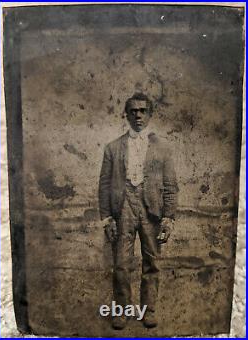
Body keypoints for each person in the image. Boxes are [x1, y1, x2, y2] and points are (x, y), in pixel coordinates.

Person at [98, 92, 178, 330]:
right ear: (126, 114)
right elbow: (103, 185)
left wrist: (169, 218)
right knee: (121, 263)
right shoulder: (112, 148)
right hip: (123, 209)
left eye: (143, 111)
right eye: (133, 111)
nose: (138, 115)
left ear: (150, 114)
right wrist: (106, 218)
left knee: (151, 262)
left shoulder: (163, 148)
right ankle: (122, 310)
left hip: (151, 209)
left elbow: (171, 185)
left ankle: (149, 309)